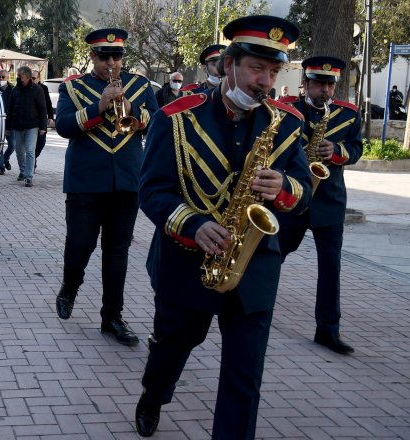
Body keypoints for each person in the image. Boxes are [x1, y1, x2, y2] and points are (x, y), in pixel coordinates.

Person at [134, 16, 312, 438]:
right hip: (186, 262)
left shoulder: (286, 124)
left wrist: (284, 187)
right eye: (256, 69)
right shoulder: (176, 118)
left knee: (244, 377)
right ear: (228, 64)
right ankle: (153, 395)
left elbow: (305, 191)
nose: (265, 81)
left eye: (273, 72)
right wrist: (194, 225)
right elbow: (152, 192)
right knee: (172, 348)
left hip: (254, 269)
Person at [54, 28, 159, 346]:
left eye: (116, 56)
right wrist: (98, 107)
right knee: (79, 246)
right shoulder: (73, 88)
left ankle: (111, 317)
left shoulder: (139, 85)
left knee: (117, 253)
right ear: (92, 56)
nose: (111, 62)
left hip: (127, 181)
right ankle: (70, 285)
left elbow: (157, 123)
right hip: (86, 181)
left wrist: (132, 110)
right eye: (104, 57)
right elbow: (64, 126)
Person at [277, 56, 362, 355]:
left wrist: (337, 150)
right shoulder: (287, 110)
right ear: (306, 83)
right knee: (273, 256)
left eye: (329, 84)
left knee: (331, 268)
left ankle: (328, 330)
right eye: (319, 84)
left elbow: (356, 149)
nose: (324, 90)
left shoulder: (349, 114)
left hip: (330, 202)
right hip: (294, 198)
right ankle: (253, 306)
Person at [6, 66, 47, 187]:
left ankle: (28, 176)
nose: (18, 77)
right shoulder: (15, 90)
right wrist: (7, 128)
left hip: (32, 126)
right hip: (17, 126)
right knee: (19, 152)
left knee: (30, 151)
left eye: (20, 76)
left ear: (28, 77)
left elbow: (42, 109)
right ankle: (23, 171)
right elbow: (10, 109)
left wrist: (43, 127)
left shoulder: (37, 90)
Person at [0, 70, 15, 175]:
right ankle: (1, 166)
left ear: (7, 78)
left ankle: (5, 159)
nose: (1, 79)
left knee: (12, 145)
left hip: (9, 121)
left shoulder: (13, 89)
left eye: (3, 77)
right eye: (0, 77)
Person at [31, 69, 54, 160]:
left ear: (38, 79)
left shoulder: (44, 88)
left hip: (41, 119)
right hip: (30, 119)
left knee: (41, 142)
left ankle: (33, 158)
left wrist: (51, 117)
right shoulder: (26, 88)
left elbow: (48, 103)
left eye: (33, 78)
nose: (31, 80)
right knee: (31, 143)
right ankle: (31, 161)